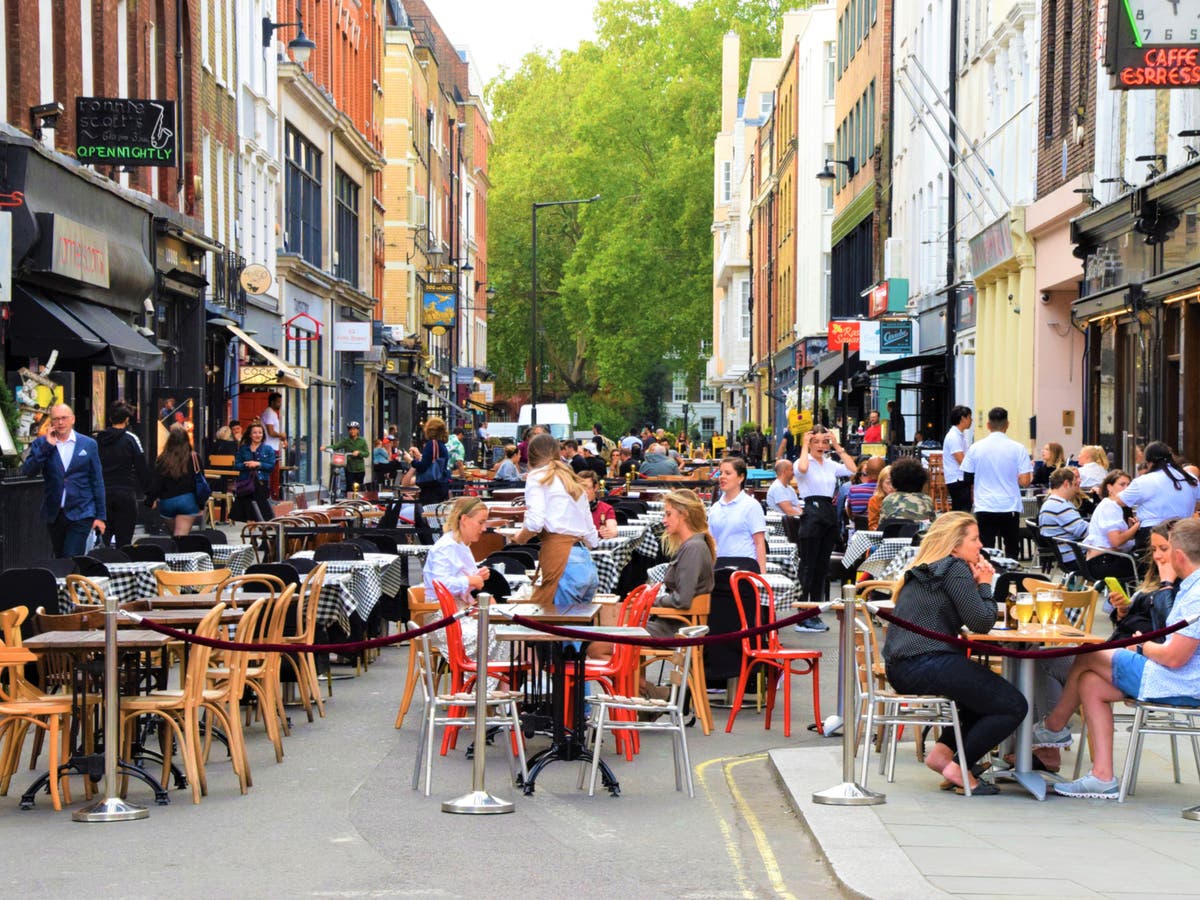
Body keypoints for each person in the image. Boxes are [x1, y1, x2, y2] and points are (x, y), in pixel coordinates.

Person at [1037, 519, 1200, 799]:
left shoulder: (1195, 593)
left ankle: (1053, 728)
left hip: (1176, 681)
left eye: (1167, 548)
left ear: (1179, 555)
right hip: (1170, 675)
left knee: (1087, 653)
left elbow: (1174, 658)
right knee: (1089, 682)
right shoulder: (1190, 587)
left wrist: (1143, 646)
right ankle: (1102, 776)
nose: (1161, 556)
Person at [882, 512, 1027, 794]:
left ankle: (942, 755)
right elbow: (981, 623)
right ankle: (960, 768)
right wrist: (986, 583)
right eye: (974, 539)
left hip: (904, 666)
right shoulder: (953, 568)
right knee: (1012, 705)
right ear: (954, 544)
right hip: (928, 661)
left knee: (983, 698)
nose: (980, 545)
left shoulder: (930, 568)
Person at [512, 433, 599, 607]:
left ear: (531, 456)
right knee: (577, 631)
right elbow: (592, 538)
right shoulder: (572, 480)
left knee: (555, 628)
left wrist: (518, 538)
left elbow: (535, 522)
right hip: (585, 563)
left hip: (562, 562)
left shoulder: (537, 477)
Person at [21, 403, 107, 558]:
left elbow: (97, 480)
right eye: (56, 419)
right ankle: (68, 582)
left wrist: (100, 516)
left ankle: (72, 581)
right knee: (61, 557)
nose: (60, 422)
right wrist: (47, 447)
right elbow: (28, 471)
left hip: (82, 511)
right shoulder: (41, 444)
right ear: (51, 422)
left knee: (71, 556)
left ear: (72, 419)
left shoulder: (88, 444)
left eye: (64, 418)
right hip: (55, 512)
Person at [793, 426, 857, 630]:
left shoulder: (831, 465)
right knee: (808, 564)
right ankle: (803, 613)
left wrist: (837, 445)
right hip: (811, 510)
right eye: (817, 442)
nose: (821, 446)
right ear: (810, 443)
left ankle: (816, 610)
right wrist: (804, 446)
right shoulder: (803, 461)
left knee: (822, 566)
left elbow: (853, 469)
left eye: (824, 442)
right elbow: (802, 469)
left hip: (828, 510)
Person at [423, 496, 501, 660]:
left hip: (458, 611)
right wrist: (471, 580)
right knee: (497, 633)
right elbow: (440, 584)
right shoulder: (445, 547)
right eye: (481, 522)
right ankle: (484, 682)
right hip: (443, 618)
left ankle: (496, 682)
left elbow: (457, 581)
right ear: (464, 519)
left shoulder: (461, 545)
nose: (484, 528)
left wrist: (476, 577)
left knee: (503, 631)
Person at [961, 406, 1032, 559]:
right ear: (1007, 424)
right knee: (1012, 546)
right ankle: (1010, 576)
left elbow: (967, 478)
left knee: (985, 548)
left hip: (985, 504)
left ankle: (988, 579)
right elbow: (1025, 481)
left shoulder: (976, 448)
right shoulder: (1018, 448)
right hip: (1009, 504)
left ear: (988, 425)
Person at [646, 489, 716, 639]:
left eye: (668, 514)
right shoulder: (694, 545)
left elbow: (682, 600)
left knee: (598, 645)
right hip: (674, 624)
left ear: (684, 514)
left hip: (676, 629)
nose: (664, 520)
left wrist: (651, 600)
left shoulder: (693, 548)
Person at [1116, 441, 1200, 552]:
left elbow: (1118, 501)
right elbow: (1197, 503)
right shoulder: (1190, 478)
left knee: (1152, 567)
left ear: (1149, 462)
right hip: (1183, 533)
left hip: (1151, 535)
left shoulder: (1144, 481)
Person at [1108, 519, 1179, 642]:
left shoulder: (1189, 587)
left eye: (1163, 548)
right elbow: (1125, 624)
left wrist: (1167, 585)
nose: (1156, 555)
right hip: (1123, 645)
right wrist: (1123, 610)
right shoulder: (1154, 579)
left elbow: (1170, 633)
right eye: (1154, 549)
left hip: (1144, 652)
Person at [95, 402, 149, 548]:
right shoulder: (131, 439)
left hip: (103, 493)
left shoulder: (98, 439)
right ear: (126, 420)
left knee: (102, 539)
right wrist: (148, 493)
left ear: (110, 419)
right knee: (124, 541)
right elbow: (141, 467)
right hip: (125, 493)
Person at [146, 424, 203, 536]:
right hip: (188, 500)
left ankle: (173, 550)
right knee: (181, 536)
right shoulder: (194, 457)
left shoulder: (163, 459)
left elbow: (157, 482)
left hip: (168, 502)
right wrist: (200, 505)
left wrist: (150, 500)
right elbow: (200, 482)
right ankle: (181, 550)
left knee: (174, 535)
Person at [1083, 469, 1140, 581]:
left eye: (1129, 485)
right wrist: (1136, 527)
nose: (1126, 488)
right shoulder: (1111, 506)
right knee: (1150, 566)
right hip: (1104, 562)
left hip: (1098, 561)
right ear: (1109, 487)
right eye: (1122, 484)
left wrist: (1129, 531)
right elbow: (1116, 541)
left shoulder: (1108, 504)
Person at [1037, 467, 1091, 570]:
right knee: (1123, 561)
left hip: (1068, 556)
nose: (1076, 489)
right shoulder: (1060, 506)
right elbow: (1084, 531)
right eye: (1075, 484)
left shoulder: (1050, 503)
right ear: (1066, 484)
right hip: (1076, 558)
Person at [231, 422, 276, 522]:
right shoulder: (243, 449)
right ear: (250, 435)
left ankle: (263, 530)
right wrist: (247, 465)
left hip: (261, 481)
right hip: (246, 482)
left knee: (262, 509)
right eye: (255, 433)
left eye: (260, 432)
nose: (258, 435)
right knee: (247, 510)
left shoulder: (268, 449)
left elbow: (271, 466)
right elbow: (236, 465)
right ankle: (251, 532)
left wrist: (258, 464)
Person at [410, 417, 452, 506]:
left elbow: (423, 466)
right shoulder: (442, 445)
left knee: (428, 516)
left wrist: (410, 460)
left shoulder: (432, 444)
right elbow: (431, 462)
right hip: (441, 486)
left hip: (431, 488)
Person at [879, 456, 935, 524]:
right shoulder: (927, 500)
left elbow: (882, 526)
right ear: (921, 481)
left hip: (894, 534)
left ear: (895, 480)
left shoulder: (889, 499)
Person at [941, 405, 973, 512]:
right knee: (962, 509)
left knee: (962, 508)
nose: (971, 420)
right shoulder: (954, 436)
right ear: (963, 418)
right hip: (957, 479)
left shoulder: (959, 435)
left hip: (960, 479)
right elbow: (961, 460)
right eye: (969, 417)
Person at [324, 421, 369, 490]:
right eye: (350, 429)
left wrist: (359, 453)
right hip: (349, 468)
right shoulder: (346, 440)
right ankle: (349, 500)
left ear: (358, 430)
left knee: (358, 487)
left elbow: (367, 453)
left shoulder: (362, 441)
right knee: (349, 487)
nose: (352, 431)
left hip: (360, 469)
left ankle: (358, 500)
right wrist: (326, 448)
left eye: (354, 429)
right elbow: (336, 446)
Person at [578, 470, 618, 538]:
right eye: (579, 488)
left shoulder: (606, 509)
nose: (583, 492)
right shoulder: (570, 508)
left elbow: (612, 527)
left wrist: (610, 532)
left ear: (596, 487)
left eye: (586, 488)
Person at [260, 392, 286, 499]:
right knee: (273, 474)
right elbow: (270, 432)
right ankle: (272, 496)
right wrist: (281, 435)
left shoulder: (272, 413)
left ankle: (273, 495)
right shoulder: (270, 413)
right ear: (272, 402)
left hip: (273, 446)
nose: (280, 404)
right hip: (270, 447)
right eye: (278, 402)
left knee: (275, 474)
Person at [867, 465, 894, 531]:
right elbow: (873, 525)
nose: (891, 486)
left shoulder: (903, 498)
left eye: (894, 483)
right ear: (881, 483)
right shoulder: (875, 500)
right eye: (888, 483)